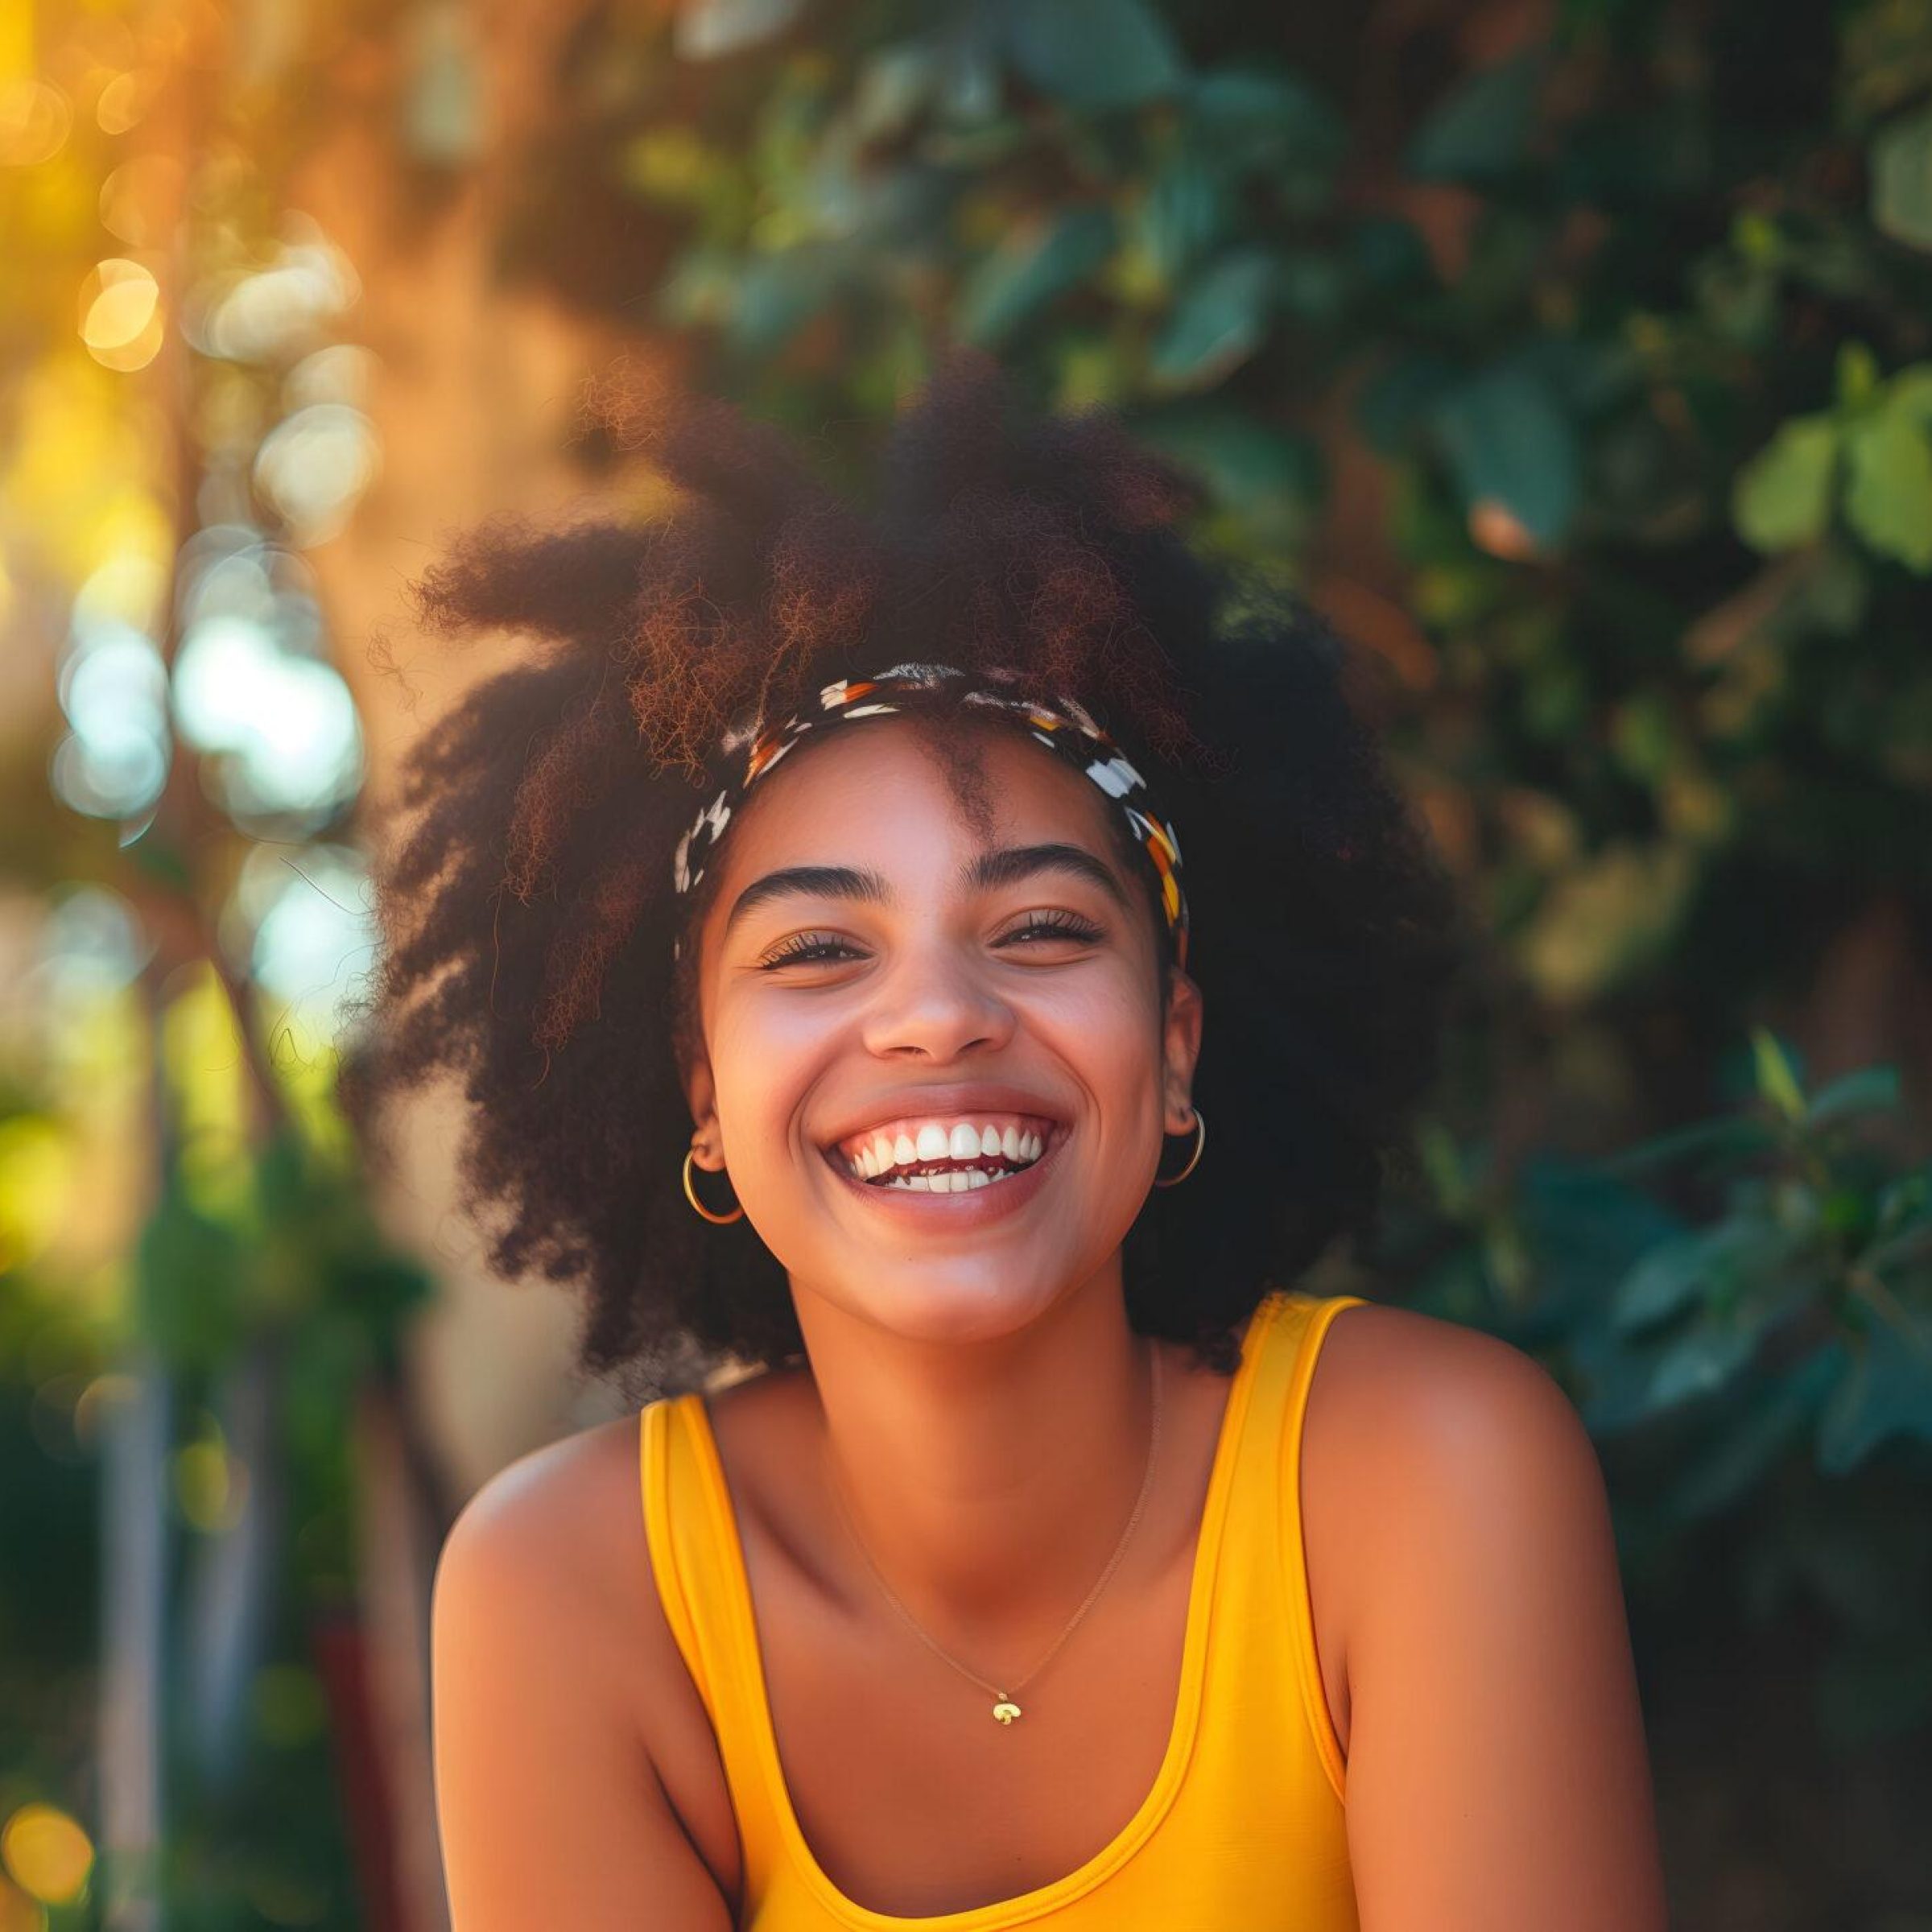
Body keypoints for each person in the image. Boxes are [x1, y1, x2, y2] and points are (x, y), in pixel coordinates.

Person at [344, 349, 1670, 1929]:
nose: (937, 1018)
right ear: (700, 1088)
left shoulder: (1424, 1477)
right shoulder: (572, 1597)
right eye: (819, 951)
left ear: (1174, 1049)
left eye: (1037, 926)